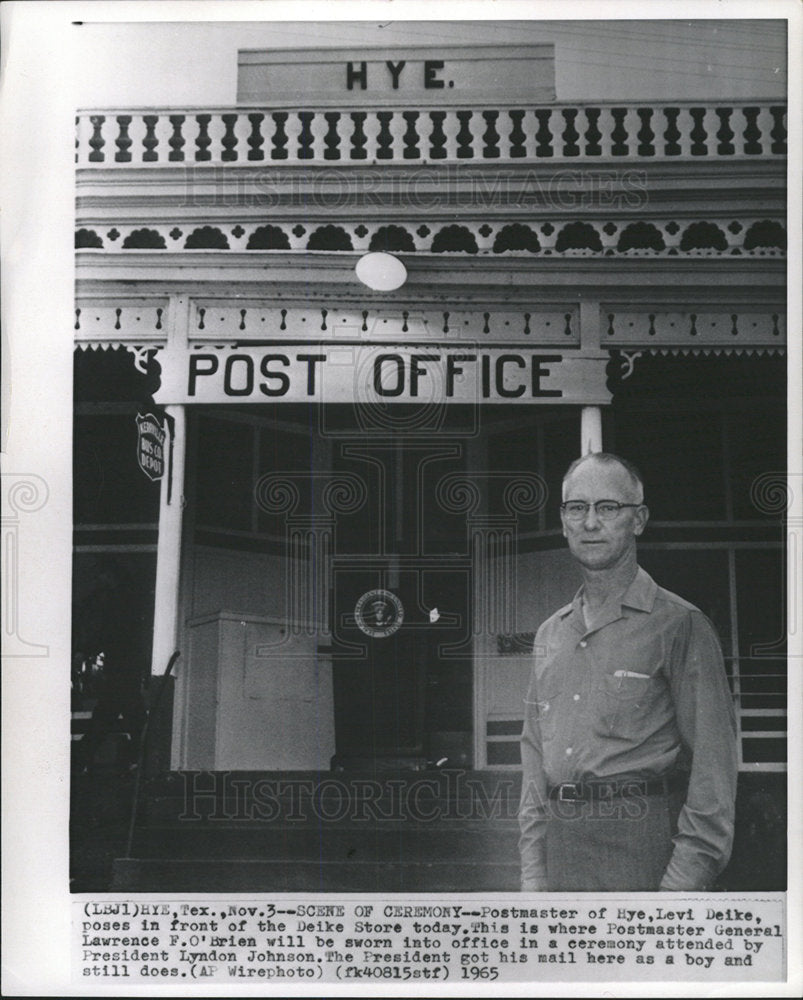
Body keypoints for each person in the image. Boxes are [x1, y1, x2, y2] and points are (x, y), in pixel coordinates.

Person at [518, 452, 737, 892]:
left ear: (638, 520)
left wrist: (680, 885)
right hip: (561, 854)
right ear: (563, 522)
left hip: (644, 851)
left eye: (608, 507)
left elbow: (714, 771)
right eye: (577, 508)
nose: (590, 522)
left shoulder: (679, 624)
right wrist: (533, 871)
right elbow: (534, 764)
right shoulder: (551, 634)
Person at [72, 558, 147, 773]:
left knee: (108, 714)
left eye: (100, 576)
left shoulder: (115, 600)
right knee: (127, 714)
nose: (98, 580)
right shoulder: (127, 598)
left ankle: (82, 758)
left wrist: (85, 650)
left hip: (120, 665)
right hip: (127, 665)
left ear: (109, 575)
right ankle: (137, 758)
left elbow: (109, 633)